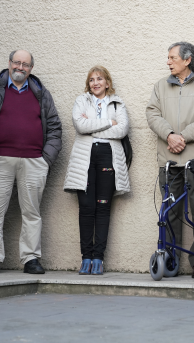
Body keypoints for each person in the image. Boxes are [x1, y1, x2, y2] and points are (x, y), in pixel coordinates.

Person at [0, 49, 62, 275]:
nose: (20, 67)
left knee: (32, 213)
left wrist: (45, 159)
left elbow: (54, 126)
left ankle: (31, 259)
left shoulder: (41, 93)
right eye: (17, 63)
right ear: (8, 63)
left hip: (34, 161)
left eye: (25, 64)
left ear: (31, 68)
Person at [145, 41, 194, 278]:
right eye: (168, 58)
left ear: (187, 60)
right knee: (170, 213)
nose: (168, 61)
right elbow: (151, 113)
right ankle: (170, 259)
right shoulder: (160, 86)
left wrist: (182, 137)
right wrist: (169, 135)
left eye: (172, 58)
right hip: (168, 160)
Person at [64, 66, 130, 275]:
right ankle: (86, 257)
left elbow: (122, 129)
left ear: (107, 83)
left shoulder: (117, 103)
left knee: (103, 207)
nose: (95, 83)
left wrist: (92, 125)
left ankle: (98, 259)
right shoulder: (81, 101)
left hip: (108, 156)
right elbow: (80, 125)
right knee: (86, 207)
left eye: (99, 79)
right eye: (91, 80)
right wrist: (108, 122)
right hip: (85, 158)